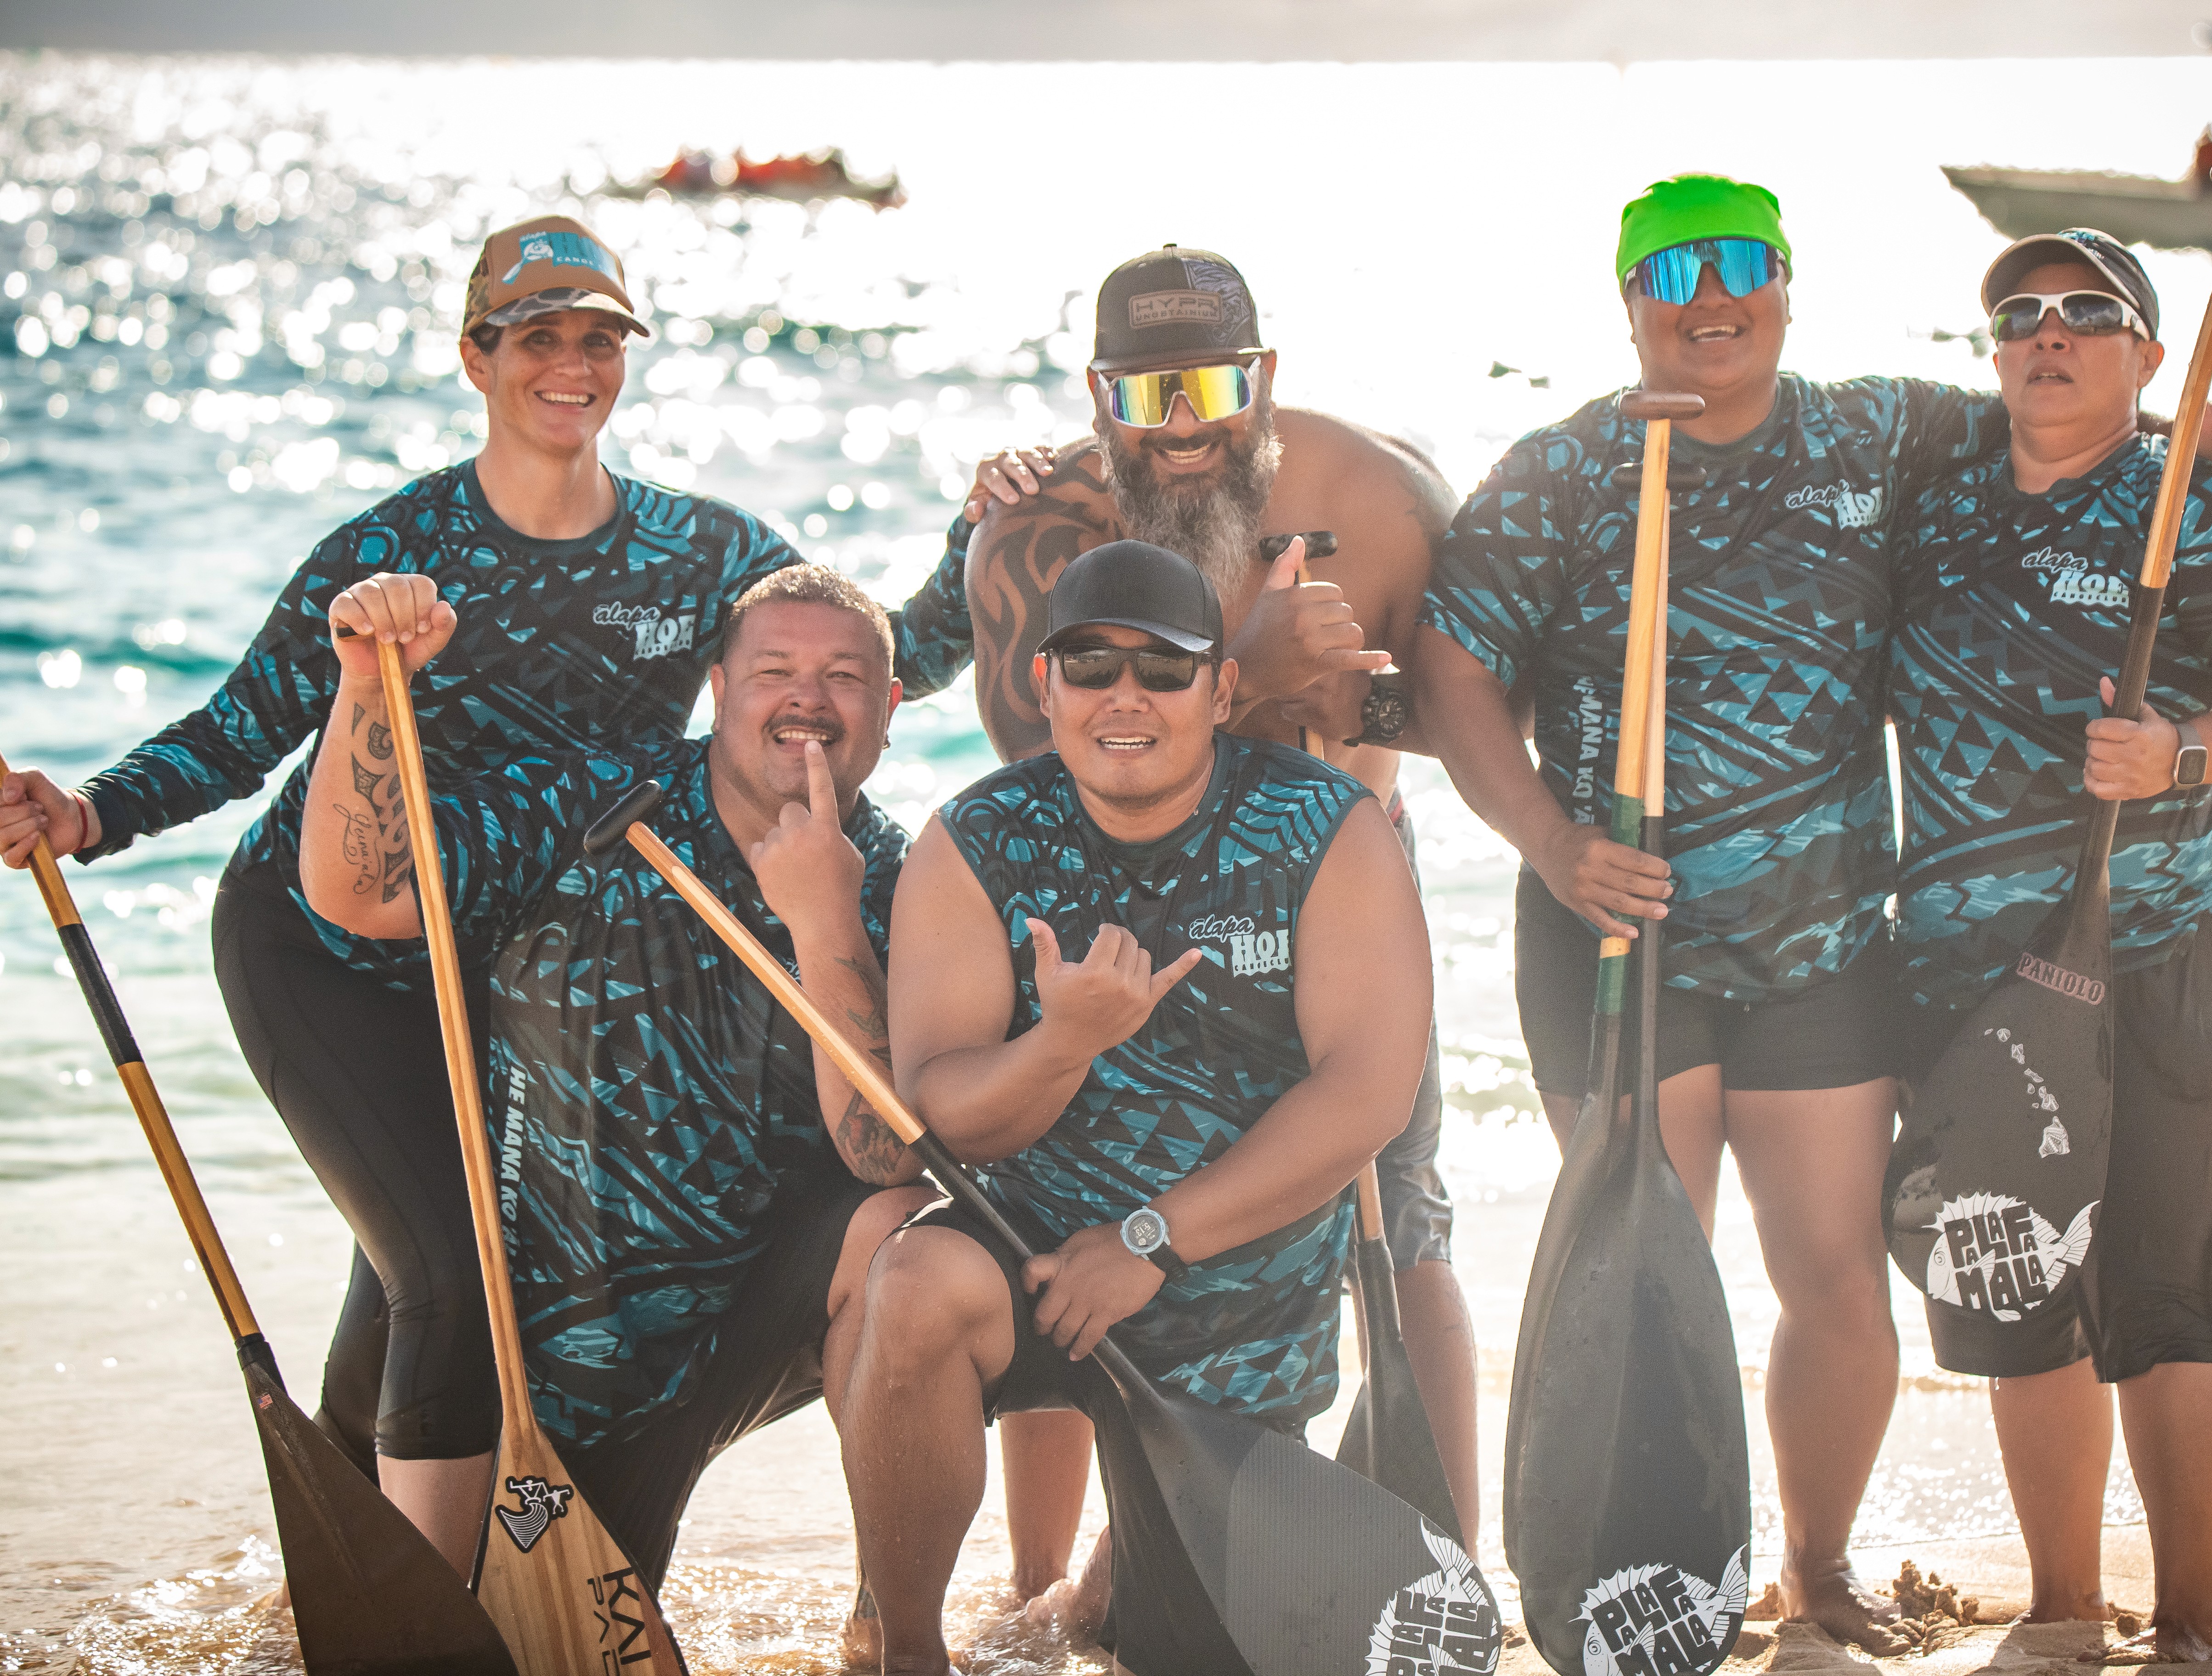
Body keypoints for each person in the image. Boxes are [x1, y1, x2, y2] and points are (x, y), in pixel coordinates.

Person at [0, 209, 1047, 1571]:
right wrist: (92, 814)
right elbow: (242, 727)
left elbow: (854, 655)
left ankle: (354, 1538)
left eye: (599, 340)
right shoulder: (400, 546)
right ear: (475, 358)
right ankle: (431, 1607)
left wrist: (978, 533)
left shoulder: (698, 550)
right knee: (447, 1257)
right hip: (330, 947)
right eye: (537, 338)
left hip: (511, 938)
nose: (572, 366)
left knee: (409, 1249)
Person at [1411, 174, 2212, 1650]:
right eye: (1673, 271)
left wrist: (2186, 435)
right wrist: (1550, 842)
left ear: (1786, 282)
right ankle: (1646, 1578)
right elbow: (1450, 668)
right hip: (1619, 930)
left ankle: (1817, 1572)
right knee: (1648, 1284)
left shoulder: (1877, 432)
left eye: (1741, 263)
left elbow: (2056, 426)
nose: (1712, 297)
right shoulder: (1564, 470)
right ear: (1628, 300)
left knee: (1836, 1279)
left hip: (1828, 943)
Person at [886, 246, 1484, 1605]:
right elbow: (1054, 772)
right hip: (1115, 908)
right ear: (1098, 392)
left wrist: (1365, 713)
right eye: (1144, 392)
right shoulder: (1041, 523)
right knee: (1061, 1194)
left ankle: (1451, 1567)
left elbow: (1473, 701)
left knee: (1405, 1211)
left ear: (1260, 376)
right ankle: (1038, 1581)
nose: (1179, 424)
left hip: (1331, 900)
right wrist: (1249, 677)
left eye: (1208, 385)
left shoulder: (1373, 493)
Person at [847, 540, 1434, 1675]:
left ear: (1220, 689)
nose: (1127, 695)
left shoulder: (1326, 830)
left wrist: (1153, 1240)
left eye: (1164, 670)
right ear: (1044, 686)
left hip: (1233, 1303)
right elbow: (944, 1109)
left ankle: (1115, 1575)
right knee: (912, 1283)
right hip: (1033, 1263)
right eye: (1092, 664)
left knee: (1157, 1645)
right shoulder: (975, 841)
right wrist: (1061, 1045)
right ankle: (907, 1653)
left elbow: (1367, 1094)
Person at [1888, 228, 2212, 1661]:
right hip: (1973, 976)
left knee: (2163, 1304)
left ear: (2147, 354)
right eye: (2020, 312)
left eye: (2091, 312)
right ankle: (2063, 1614)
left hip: (2168, 950)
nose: (2051, 330)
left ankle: (2191, 1632)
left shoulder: (2195, 511)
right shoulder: (1933, 502)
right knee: (2019, 1296)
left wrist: (2180, 754)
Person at [299, 561, 935, 1584]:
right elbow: (361, 894)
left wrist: (825, 922)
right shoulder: (595, 803)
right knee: (366, 1613)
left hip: (684, 1375)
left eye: (845, 678)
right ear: (719, 691)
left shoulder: (905, 884)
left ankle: (888, 1622)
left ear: (892, 708)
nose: (807, 700)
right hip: (482, 1350)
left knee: (908, 1229)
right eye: (774, 671)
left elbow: (887, 1157)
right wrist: (369, 686)